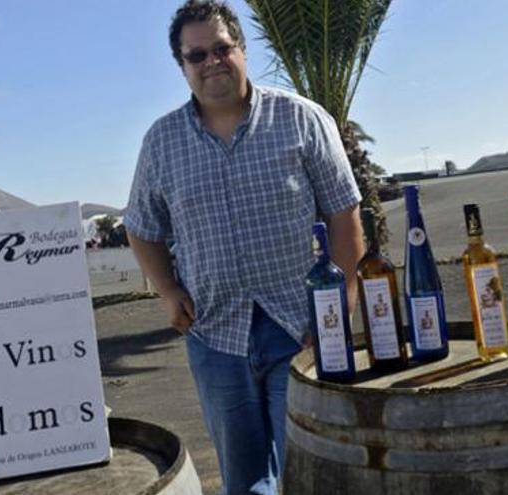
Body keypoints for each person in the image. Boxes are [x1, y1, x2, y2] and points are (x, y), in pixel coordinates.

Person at [124, 1, 363, 493]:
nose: (211, 61)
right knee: (243, 480)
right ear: (182, 66)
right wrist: (168, 292)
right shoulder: (161, 142)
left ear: (242, 49)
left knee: (308, 471)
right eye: (197, 55)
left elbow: (344, 214)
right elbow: (142, 227)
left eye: (221, 48)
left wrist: (340, 309)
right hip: (214, 336)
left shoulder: (302, 119)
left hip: (297, 329)